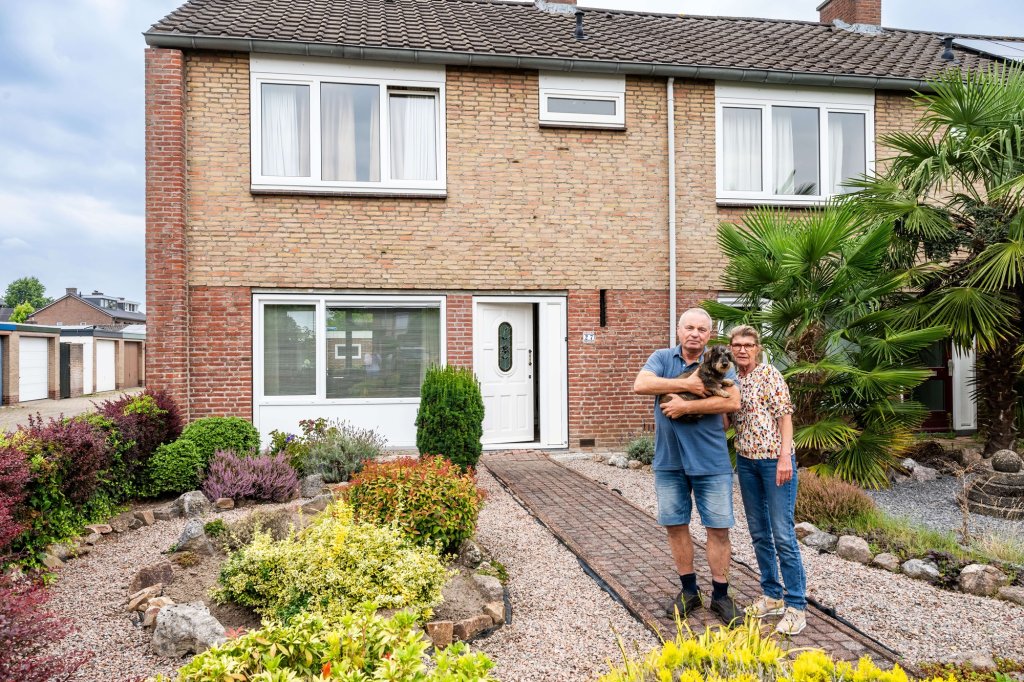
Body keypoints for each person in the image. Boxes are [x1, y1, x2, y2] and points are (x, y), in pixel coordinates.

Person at [634, 308, 742, 625]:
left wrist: (687, 403)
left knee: (718, 529)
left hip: (711, 462)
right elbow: (641, 384)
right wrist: (690, 385)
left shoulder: (716, 360)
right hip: (670, 461)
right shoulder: (662, 357)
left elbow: (732, 401)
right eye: (689, 328)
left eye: (702, 329)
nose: (695, 333)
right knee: (676, 526)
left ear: (709, 336)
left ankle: (721, 596)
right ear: (679, 330)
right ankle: (689, 591)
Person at [727, 325, 807, 636]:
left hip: (774, 461)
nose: (742, 350)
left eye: (748, 344)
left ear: (757, 348)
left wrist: (785, 457)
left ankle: (796, 606)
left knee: (783, 535)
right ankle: (772, 596)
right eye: (737, 345)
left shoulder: (769, 374)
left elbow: (785, 417)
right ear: (731, 348)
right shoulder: (732, 380)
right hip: (746, 462)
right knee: (759, 533)